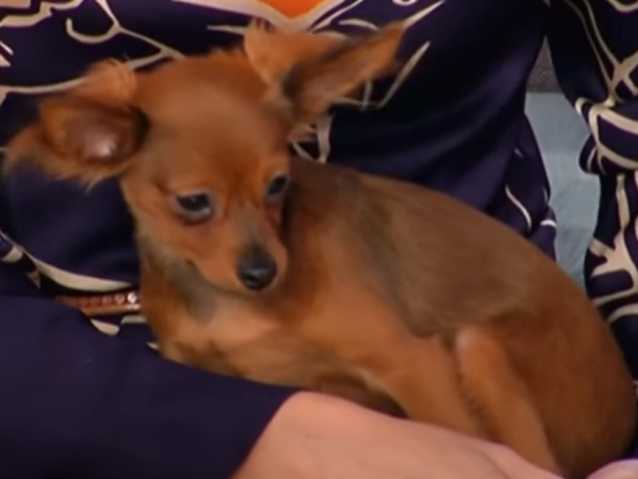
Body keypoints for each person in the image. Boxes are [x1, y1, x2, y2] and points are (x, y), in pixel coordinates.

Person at [0, 1, 637, 477]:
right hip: (61, 387)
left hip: (509, 395)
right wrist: (245, 434)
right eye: (196, 205)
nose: (258, 251)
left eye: (275, 187)